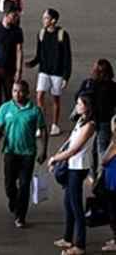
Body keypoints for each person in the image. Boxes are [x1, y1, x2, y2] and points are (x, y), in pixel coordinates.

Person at [0, 80, 47, 229]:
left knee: (24, 185)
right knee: (9, 185)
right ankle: (13, 201)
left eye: (21, 91)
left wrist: (43, 151)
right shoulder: (5, 108)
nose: (17, 94)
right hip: (10, 152)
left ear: (27, 93)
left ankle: (20, 216)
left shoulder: (35, 110)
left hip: (27, 154)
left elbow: (43, 130)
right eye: (15, 91)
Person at [49, 95, 96, 255]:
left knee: (76, 207)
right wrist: (58, 154)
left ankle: (80, 246)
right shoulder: (81, 121)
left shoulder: (90, 125)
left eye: (79, 103)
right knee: (68, 203)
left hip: (78, 168)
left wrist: (55, 159)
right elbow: (69, 142)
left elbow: (74, 149)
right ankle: (68, 238)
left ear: (87, 107)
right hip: (71, 165)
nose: (76, 106)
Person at [26, 8, 72, 137]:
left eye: (46, 18)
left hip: (57, 72)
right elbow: (39, 54)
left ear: (53, 20)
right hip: (44, 71)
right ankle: (40, 125)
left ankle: (55, 125)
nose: (43, 20)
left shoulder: (62, 35)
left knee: (55, 98)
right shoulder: (41, 33)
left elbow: (67, 57)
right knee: (39, 95)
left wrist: (66, 76)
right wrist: (32, 63)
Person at [73, 59, 116, 165]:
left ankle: (95, 175)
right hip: (105, 121)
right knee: (102, 149)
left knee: (92, 149)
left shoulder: (89, 84)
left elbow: (77, 97)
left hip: (90, 120)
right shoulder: (113, 86)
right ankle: (103, 174)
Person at [0, 7, 24, 117]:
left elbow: (19, 51)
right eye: (14, 16)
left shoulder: (17, 31)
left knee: (9, 95)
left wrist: (18, 70)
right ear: (6, 15)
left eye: (17, 16)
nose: (16, 19)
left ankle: (9, 117)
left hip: (9, 69)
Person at [100, 115, 116, 252]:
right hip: (111, 179)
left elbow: (105, 159)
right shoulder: (114, 140)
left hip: (113, 182)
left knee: (113, 212)